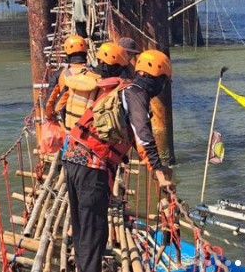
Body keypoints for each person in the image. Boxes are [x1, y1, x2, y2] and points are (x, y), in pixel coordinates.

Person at [63, 48, 174, 272]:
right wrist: (160, 174)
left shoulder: (123, 89)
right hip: (91, 166)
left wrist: (152, 165)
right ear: (158, 78)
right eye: (164, 82)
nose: (163, 88)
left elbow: (133, 138)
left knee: (83, 227)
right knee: (95, 232)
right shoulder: (136, 95)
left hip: (73, 158)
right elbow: (143, 136)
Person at [44, 34, 88, 125]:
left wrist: (48, 115)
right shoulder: (94, 73)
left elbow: (49, 101)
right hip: (89, 120)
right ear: (86, 53)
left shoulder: (61, 74)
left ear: (67, 55)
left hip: (68, 121)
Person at [154, 191, 182, 269]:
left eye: (173, 193)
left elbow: (180, 212)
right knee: (163, 245)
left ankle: (179, 263)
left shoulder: (176, 201)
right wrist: (171, 225)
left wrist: (182, 206)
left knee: (177, 246)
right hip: (167, 228)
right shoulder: (161, 204)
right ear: (165, 193)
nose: (172, 195)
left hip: (176, 227)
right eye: (170, 193)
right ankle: (156, 262)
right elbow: (165, 217)